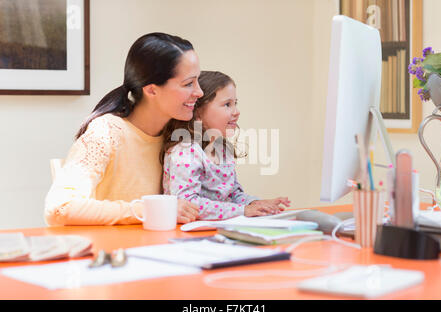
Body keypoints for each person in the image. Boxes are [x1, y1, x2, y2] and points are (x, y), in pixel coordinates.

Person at [45, 32, 203, 226]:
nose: (199, 92)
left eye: (198, 81)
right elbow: (60, 207)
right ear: (151, 89)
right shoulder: (106, 132)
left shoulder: (178, 136)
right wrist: (148, 209)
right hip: (113, 253)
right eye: (188, 84)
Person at [161, 71, 290, 222]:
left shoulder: (222, 149)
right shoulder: (185, 151)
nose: (237, 112)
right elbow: (188, 204)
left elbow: (233, 194)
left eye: (236, 103)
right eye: (227, 104)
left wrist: (256, 203)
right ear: (198, 112)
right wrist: (243, 210)